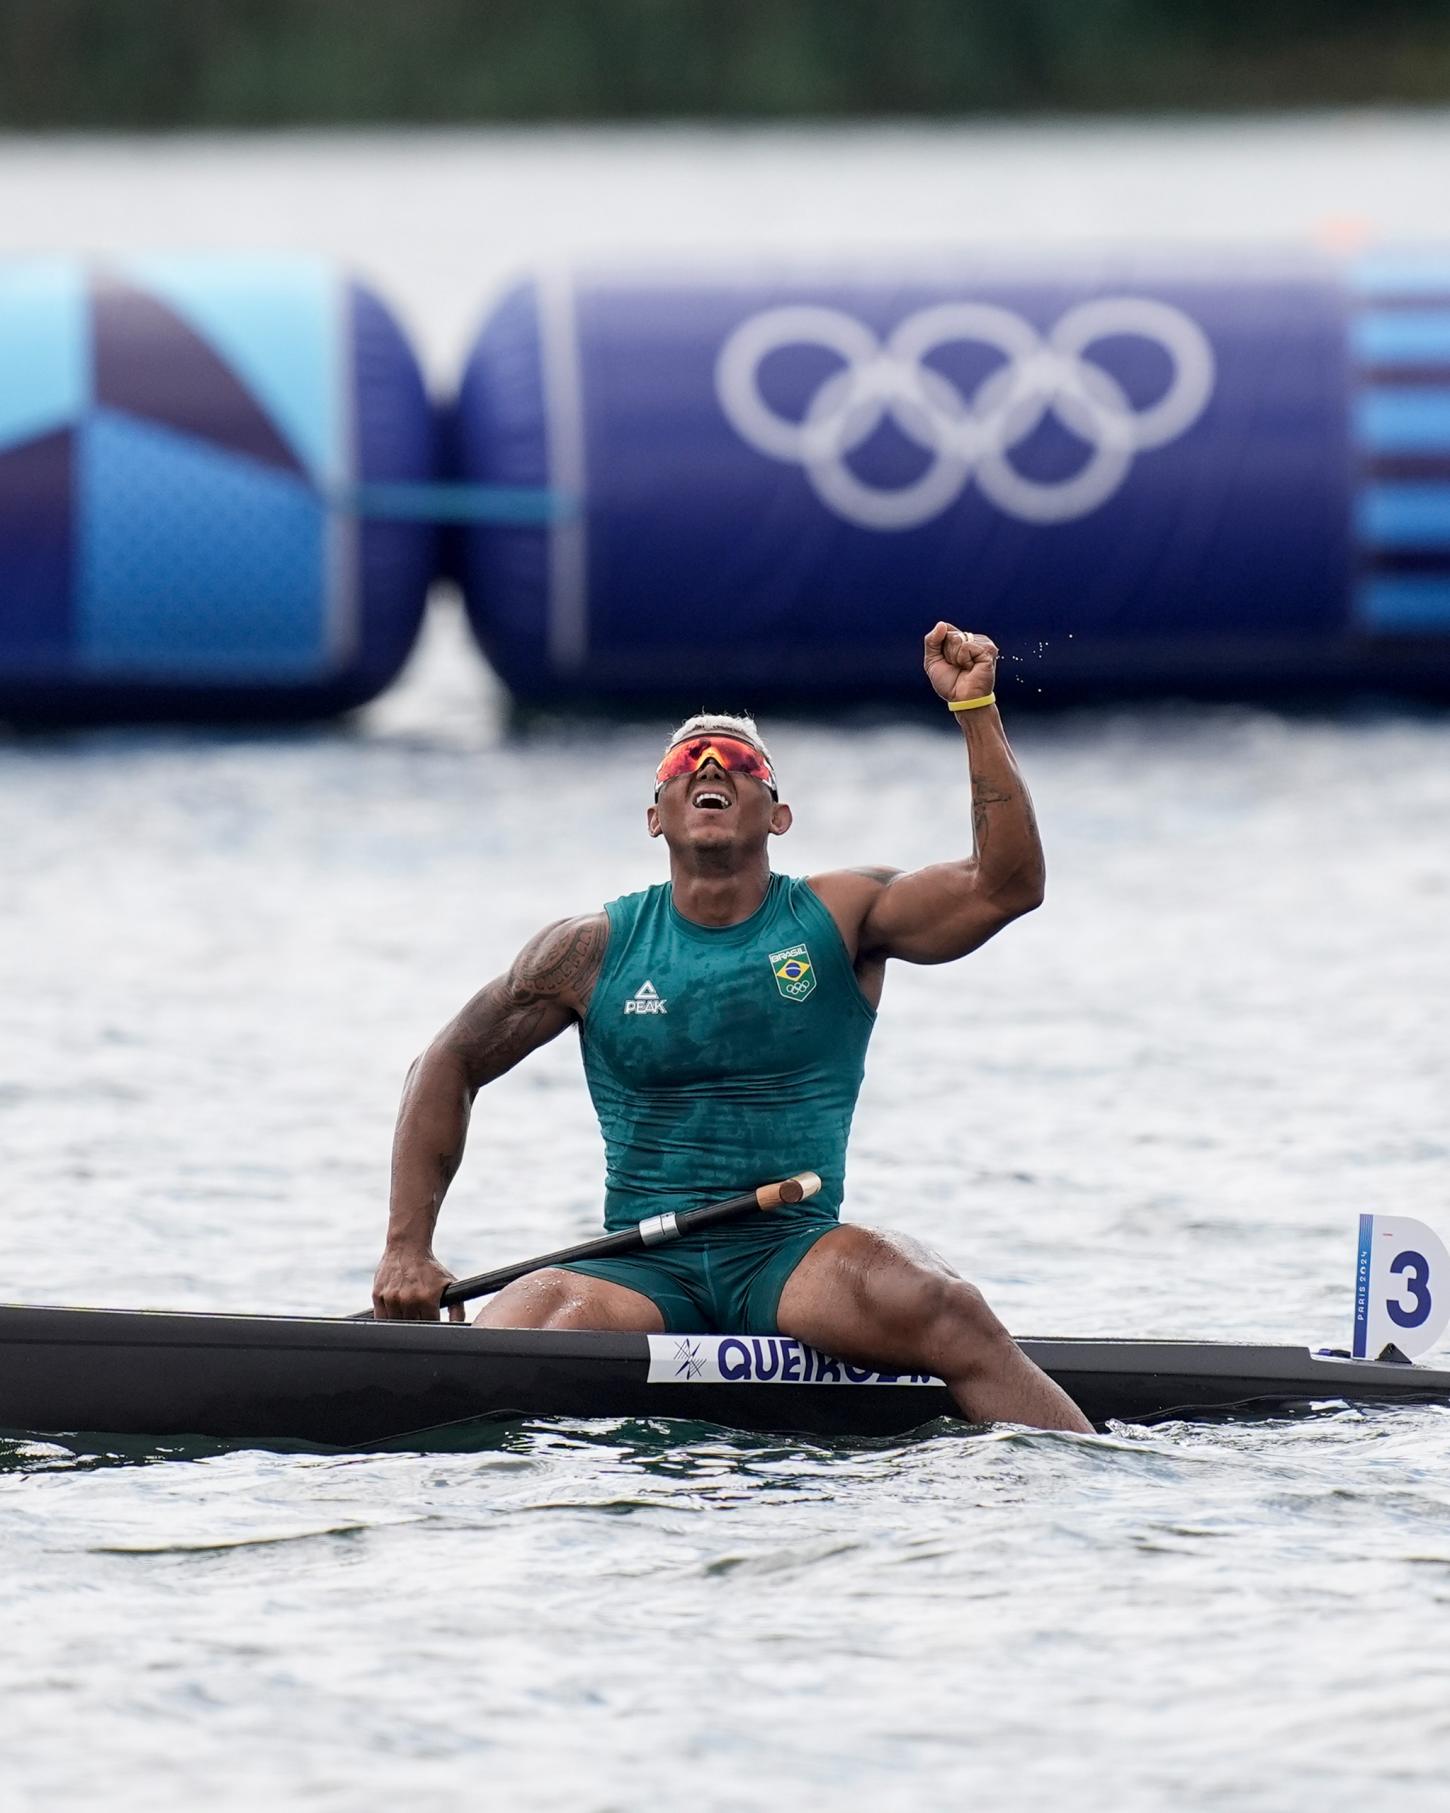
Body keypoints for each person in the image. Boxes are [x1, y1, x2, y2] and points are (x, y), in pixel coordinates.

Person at [372, 624, 1092, 1433]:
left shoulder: (841, 915)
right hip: (640, 1268)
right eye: (687, 759)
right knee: (525, 1321)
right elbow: (447, 1062)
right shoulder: (587, 951)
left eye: (739, 760)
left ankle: (1084, 1479)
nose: (711, 765)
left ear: (778, 815)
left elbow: (1006, 885)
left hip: (792, 1257)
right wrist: (408, 1248)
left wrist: (976, 710)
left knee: (944, 1303)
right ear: (655, 816)